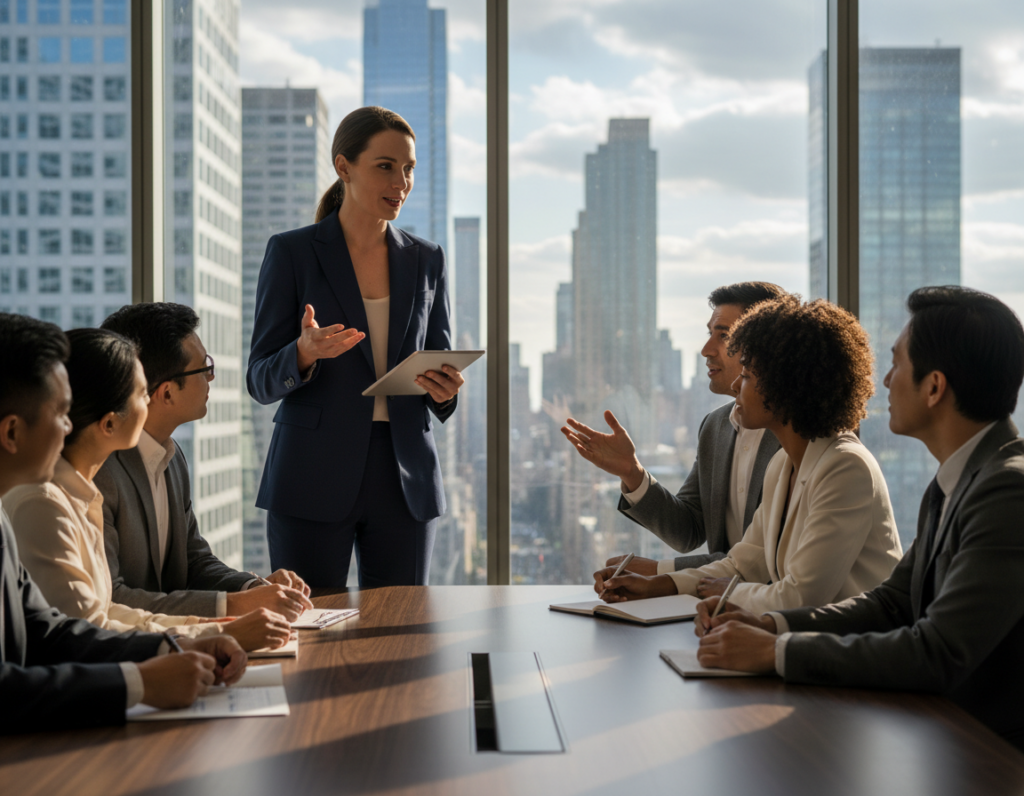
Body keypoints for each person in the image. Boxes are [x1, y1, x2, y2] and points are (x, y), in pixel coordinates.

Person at [693, 287, 1024, 750]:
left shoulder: (1007, 491)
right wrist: (773, 626)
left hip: (987, 751)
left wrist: (777, 651)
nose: (885, 380)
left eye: (898, 364)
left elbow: (938, 651)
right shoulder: (955, 481)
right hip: (938, 728)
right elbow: (892, 603)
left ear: (934, 387)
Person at [247, 106, 463, 588]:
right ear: (343, 167)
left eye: (408, 168)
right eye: (385, 166)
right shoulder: (293, 252)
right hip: (310, 476)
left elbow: (438, 364)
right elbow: (259, 378)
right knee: (311, 633)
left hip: (405, 478)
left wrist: (445, 391)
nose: (401, 182)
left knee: (401, 639)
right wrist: (302, 354)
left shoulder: (427, 259)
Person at [0, 313, 247, 732]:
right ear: (11, 433)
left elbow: (52, 630)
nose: (68, 427)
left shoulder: (19, 515)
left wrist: (171, 648)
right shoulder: (36, 504)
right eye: (61, 414)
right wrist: (139, 682)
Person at [596, 296, 903, 614]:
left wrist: (729, 594)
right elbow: (742, 565)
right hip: (799, 643)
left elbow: (799, 598)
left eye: (746, 376)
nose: (736, 387)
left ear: (784, 385)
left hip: (846, 653)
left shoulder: (845, 467)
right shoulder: (783, 465)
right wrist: (656, 587)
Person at [6, 328, 292, 652]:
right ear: (110, 424)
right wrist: (211, 635)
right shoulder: (45, 501)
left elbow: (106, 610)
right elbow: (86, 630)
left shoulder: (90, 491)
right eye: (143, 393)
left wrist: (211, 626)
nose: (150, 401)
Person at [97, 303, 312, 621]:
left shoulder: (171, 456)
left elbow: (195, 561)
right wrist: (234, 607)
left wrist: (253, 587)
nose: (211, 377)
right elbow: (112, 597)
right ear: (166, 393)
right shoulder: (101, 470)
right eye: (203, 368)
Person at [562, 282, 785, 577]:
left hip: (776, 616)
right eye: (710, 334)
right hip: (716, 611)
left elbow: (770, 559)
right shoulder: (715, 427)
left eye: (724, 335)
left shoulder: (797, 433)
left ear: (764, 345)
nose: (706, 350)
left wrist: (661, 572)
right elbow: (688, 531)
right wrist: (632, 473)